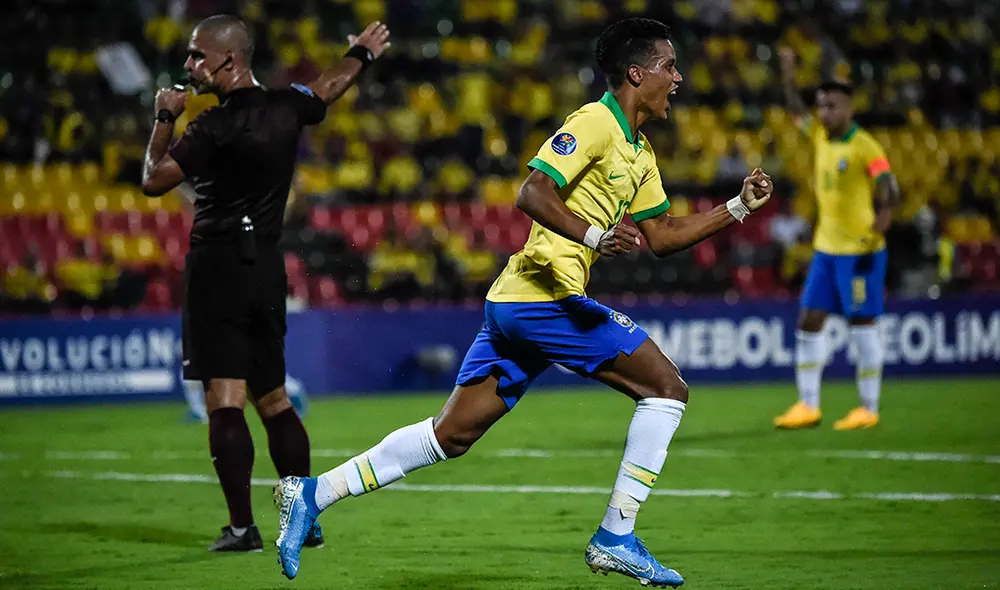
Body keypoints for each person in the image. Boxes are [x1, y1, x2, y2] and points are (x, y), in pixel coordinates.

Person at [274, 18, 774, 587]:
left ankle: (312, 493)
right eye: (669, 66)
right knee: (666, 389)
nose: (678, 78)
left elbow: (660, 236)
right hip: (545, 297)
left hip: (518, 301)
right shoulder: (594, 122)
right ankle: (616, 535)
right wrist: (594, 236)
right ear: (637, 74)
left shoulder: (639, 153)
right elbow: (531, 191)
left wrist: (737, 207)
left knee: (449, 435)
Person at [140, 14, 391, 551]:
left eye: (197, 55)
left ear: (229, 60)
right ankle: (305, 519)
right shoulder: (287, 106)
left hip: (218, 268)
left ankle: (241, 528)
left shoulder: (211, 127)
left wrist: (163, 117)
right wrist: (363, 54)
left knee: (224, 400)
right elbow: (329, 85)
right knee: (274, 399)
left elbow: (153, 180)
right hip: (267, 269)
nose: (189, 64)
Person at [773, 48, 900, 431]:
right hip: (826, 251)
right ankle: (808, 405)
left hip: (859, 252)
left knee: (862, 325)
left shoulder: (866, 146)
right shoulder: (819, 136)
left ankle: (868, 407)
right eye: (821, 106)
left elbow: (888, 184)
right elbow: (796, 110)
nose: (824, 113)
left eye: (831, 106)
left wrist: (883, 218)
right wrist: (788, 74)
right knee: (809, 321)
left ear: (849, 109)